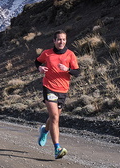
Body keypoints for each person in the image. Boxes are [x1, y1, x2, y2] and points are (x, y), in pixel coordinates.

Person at [35, 30, 80, 159]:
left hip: (63, 90)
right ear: (54, 41)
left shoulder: (70, 55)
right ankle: (57, 148)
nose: (61, 42)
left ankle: (44, 130)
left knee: (53, 118)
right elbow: (37, 61)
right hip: (49, 87)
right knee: (55, 117)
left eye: (64, 39)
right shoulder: (47, 54)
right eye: (59, 39)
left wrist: (68, 70)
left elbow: (77, 72)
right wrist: (40, 68)